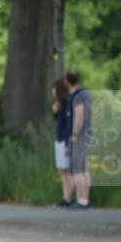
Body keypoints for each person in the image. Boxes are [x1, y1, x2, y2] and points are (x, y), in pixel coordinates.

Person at [65, 71, 92, 209]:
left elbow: (79, 116)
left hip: (80, 135)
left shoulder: (77, 95)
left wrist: (75, 134)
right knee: (84, 169)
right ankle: (85, 200)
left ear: (67, 81)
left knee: (77, 169)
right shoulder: (85, 94)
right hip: (86, 134)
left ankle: (81, 200)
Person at [51, 78, 73, 207]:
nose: (52, 91)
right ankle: (66, 197)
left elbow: (69, 125)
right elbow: (59, 122)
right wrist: (56, 111)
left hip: (64, 140)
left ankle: (68, 198)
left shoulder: (67, 103)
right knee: (62, 170)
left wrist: (67, 143)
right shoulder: (60, 104)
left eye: (54, 89)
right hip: (59, 139)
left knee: (67, 170)